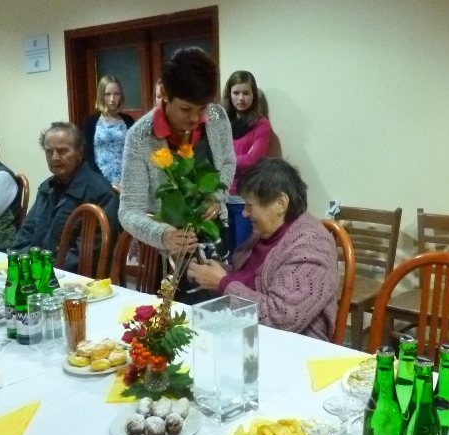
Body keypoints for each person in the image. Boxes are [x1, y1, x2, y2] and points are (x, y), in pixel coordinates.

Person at [187, 158, 338, 341]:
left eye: (250, 206)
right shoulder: (267, 231)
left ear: (281, 203)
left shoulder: (311, 245)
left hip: (293, 344)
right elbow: (253, 278)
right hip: (247, 330)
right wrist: (213, 272)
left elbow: (281, 318)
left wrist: (222, 283)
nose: (244, 213)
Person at [119, 47, 235, 254]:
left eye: (202, 108)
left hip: (215, 238)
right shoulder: (140, 137)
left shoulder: (217, 117)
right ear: (164, 94)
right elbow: (129, 210)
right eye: (186, 109)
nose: (195, 118)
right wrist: (162, 235)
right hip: (163, 251)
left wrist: (217, 197)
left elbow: (227, 162)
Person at [13, 122, 120, 272]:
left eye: (62, 151)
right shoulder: (46, 188)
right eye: (49, 152)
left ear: (79, 153)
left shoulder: (101, 194)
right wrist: (25, 264)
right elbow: (25, 236)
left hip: (73, 279)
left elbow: (85, 258)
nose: (54, 158)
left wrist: (42, 271)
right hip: (37, 272)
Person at [222, 71, 273, 254]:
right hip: (220, 199)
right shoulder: (221, 122)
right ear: (229, 94)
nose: (241, 98)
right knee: (223, 253)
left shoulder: (261, 124)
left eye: (246, 93)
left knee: (242, 254)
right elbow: (212, 156)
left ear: (253, 95)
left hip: (245, 200)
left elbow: (252, 160)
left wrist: (224, 163)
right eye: (236, 93)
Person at [83, 75, 134, 188]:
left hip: (125, 181)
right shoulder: (90, 121)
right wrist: (104, 183)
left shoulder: (128, 120)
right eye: (108, 94)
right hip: (98, 181)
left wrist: (125, 180)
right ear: (101, 95)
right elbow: (88, 155)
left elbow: (133, 152)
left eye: (116, 94)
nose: (112, 99)